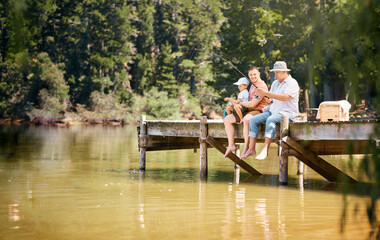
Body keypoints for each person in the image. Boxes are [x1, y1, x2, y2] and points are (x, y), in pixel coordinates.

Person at [241, 61, 299, 160]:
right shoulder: (275, 83)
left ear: (284, 72)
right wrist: (268, 98)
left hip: (286, 114)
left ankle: (265, 150)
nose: (275, 75)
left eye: (277, 72)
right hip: (273, 111)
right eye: (274, 72)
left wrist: (267, 93)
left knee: (270, 120)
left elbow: (285, 97)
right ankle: (251, 149)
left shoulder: (292, 83)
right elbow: (272, 99)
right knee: (253, 120)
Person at [224, 66, 269, 158]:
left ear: (259, 74)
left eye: (254, 74)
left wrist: (240, 103)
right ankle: (231, 145)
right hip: (248, 111)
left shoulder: (261, 86)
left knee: (246, 119)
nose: (253, 76)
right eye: (250, 75)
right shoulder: (252, 85)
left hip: (259, 111)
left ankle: (246, 148)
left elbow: (253, 104)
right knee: (227, 119)